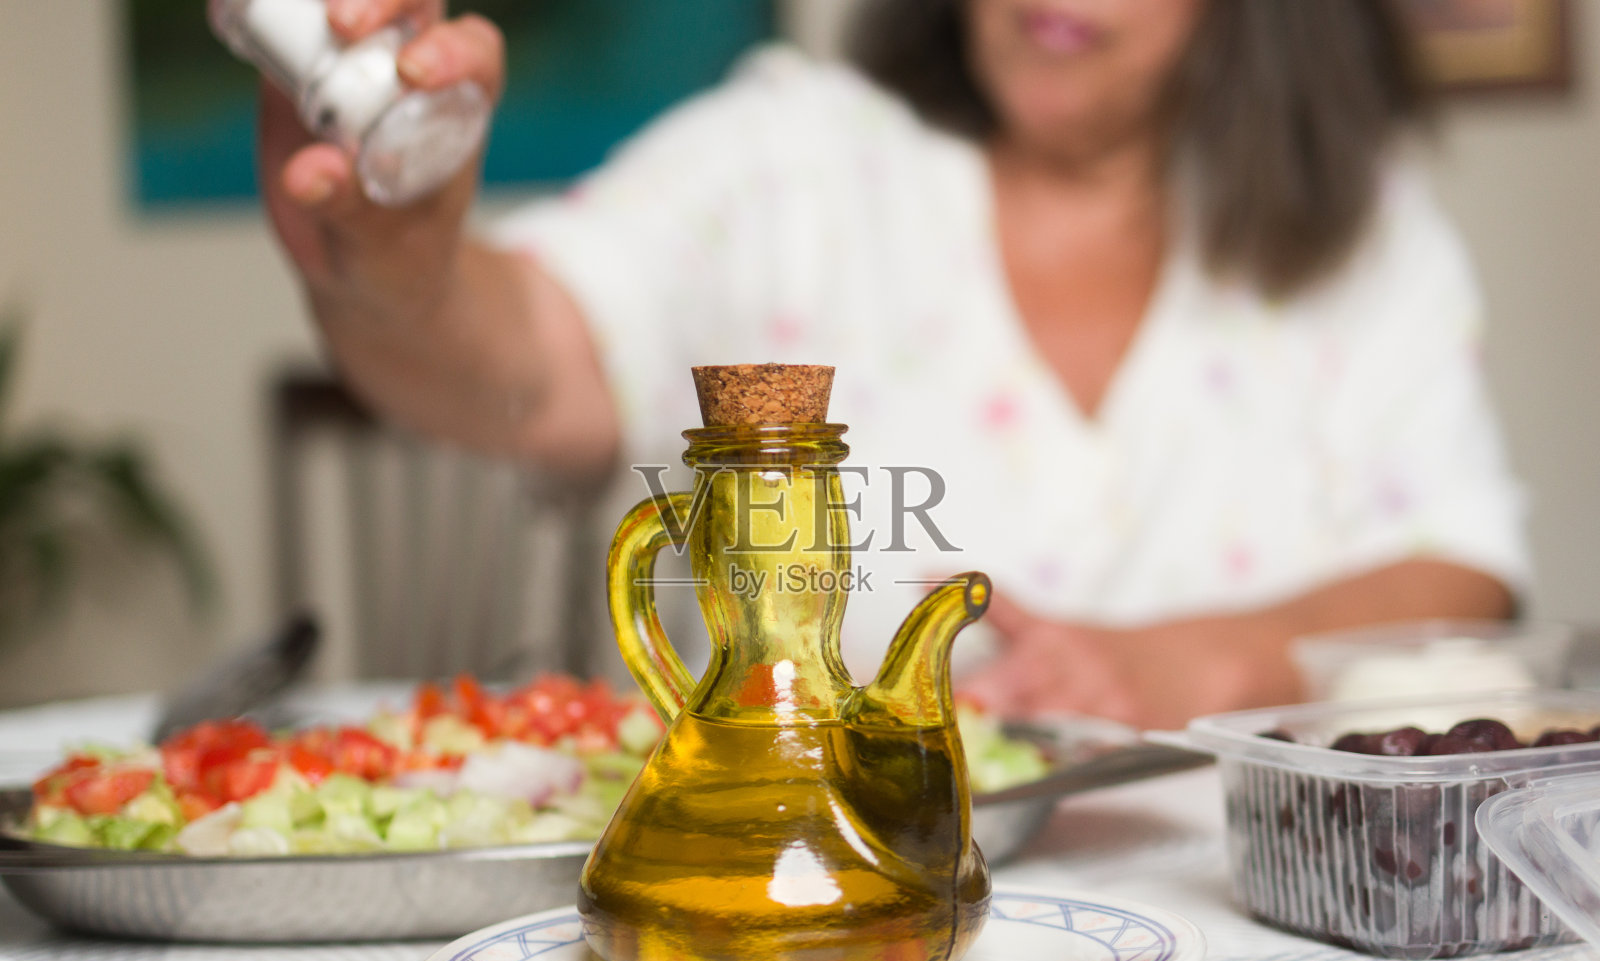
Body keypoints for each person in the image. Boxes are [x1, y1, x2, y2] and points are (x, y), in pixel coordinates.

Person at [259, 0, 1526, 728]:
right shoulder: (789, 166)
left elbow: (1462, 568)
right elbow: (525, 369)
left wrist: (1198, 660)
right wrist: (401, 259)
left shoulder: (1370, 231)